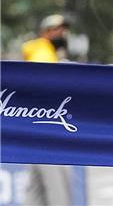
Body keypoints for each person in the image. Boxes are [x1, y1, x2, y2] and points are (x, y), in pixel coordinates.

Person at [22, 14, 74, 205]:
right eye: (58, 29)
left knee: (36, 191)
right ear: (45, 32)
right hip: (49, 131)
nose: (63, 34)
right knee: (58, 190)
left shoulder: (39, 51)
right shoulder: (43, 53)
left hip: (35, 130)